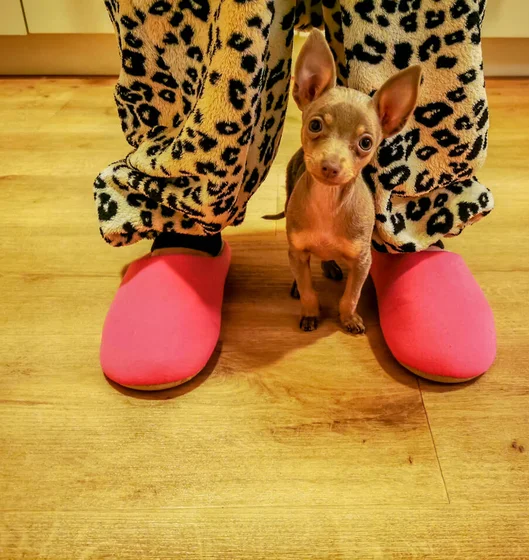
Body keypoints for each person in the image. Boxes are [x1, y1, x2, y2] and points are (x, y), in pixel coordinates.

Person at [97, 0, 496, 390]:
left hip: (357, 220)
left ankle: (412, 219)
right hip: (297, 222)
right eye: (318, 126)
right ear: (305, 90)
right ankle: (183, 217)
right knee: (200, 20)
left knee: (418, 13)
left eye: (362, 144)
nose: (333, 160)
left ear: (391, 120)